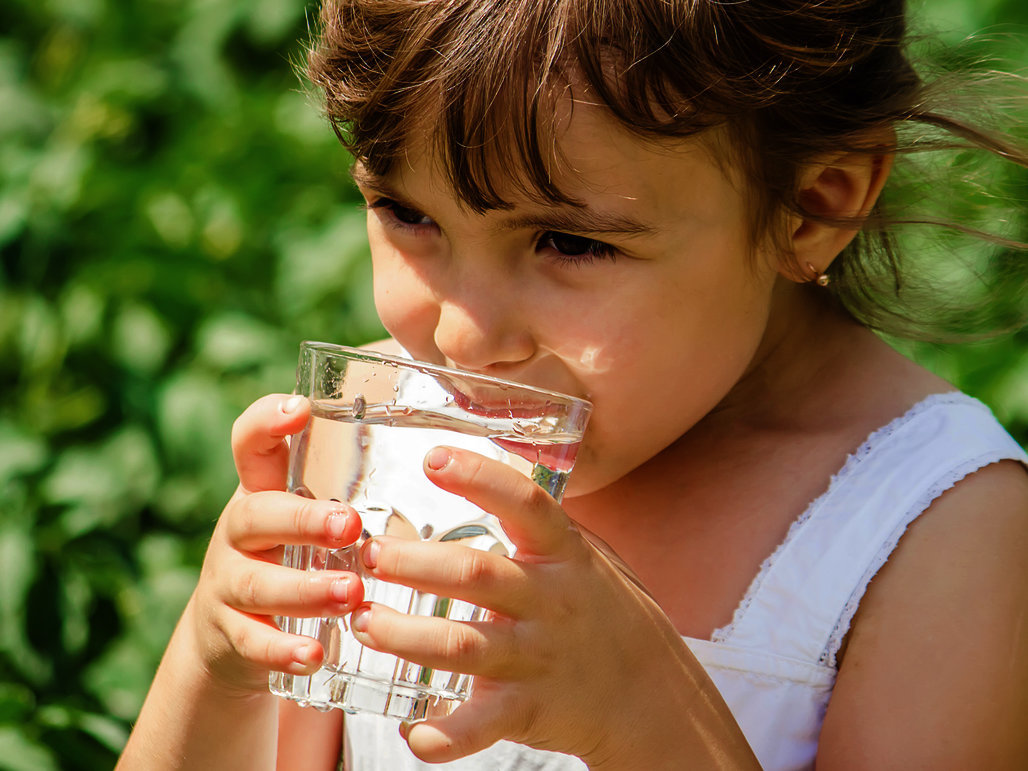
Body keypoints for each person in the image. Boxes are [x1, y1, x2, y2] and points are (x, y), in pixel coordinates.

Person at [117, 1, 1028, 768]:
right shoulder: (385, 431)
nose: (461, 337)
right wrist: (217, 652)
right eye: (405, 213)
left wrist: (645, 713)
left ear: (816, 202)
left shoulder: (942, 533)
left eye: (572, 243)